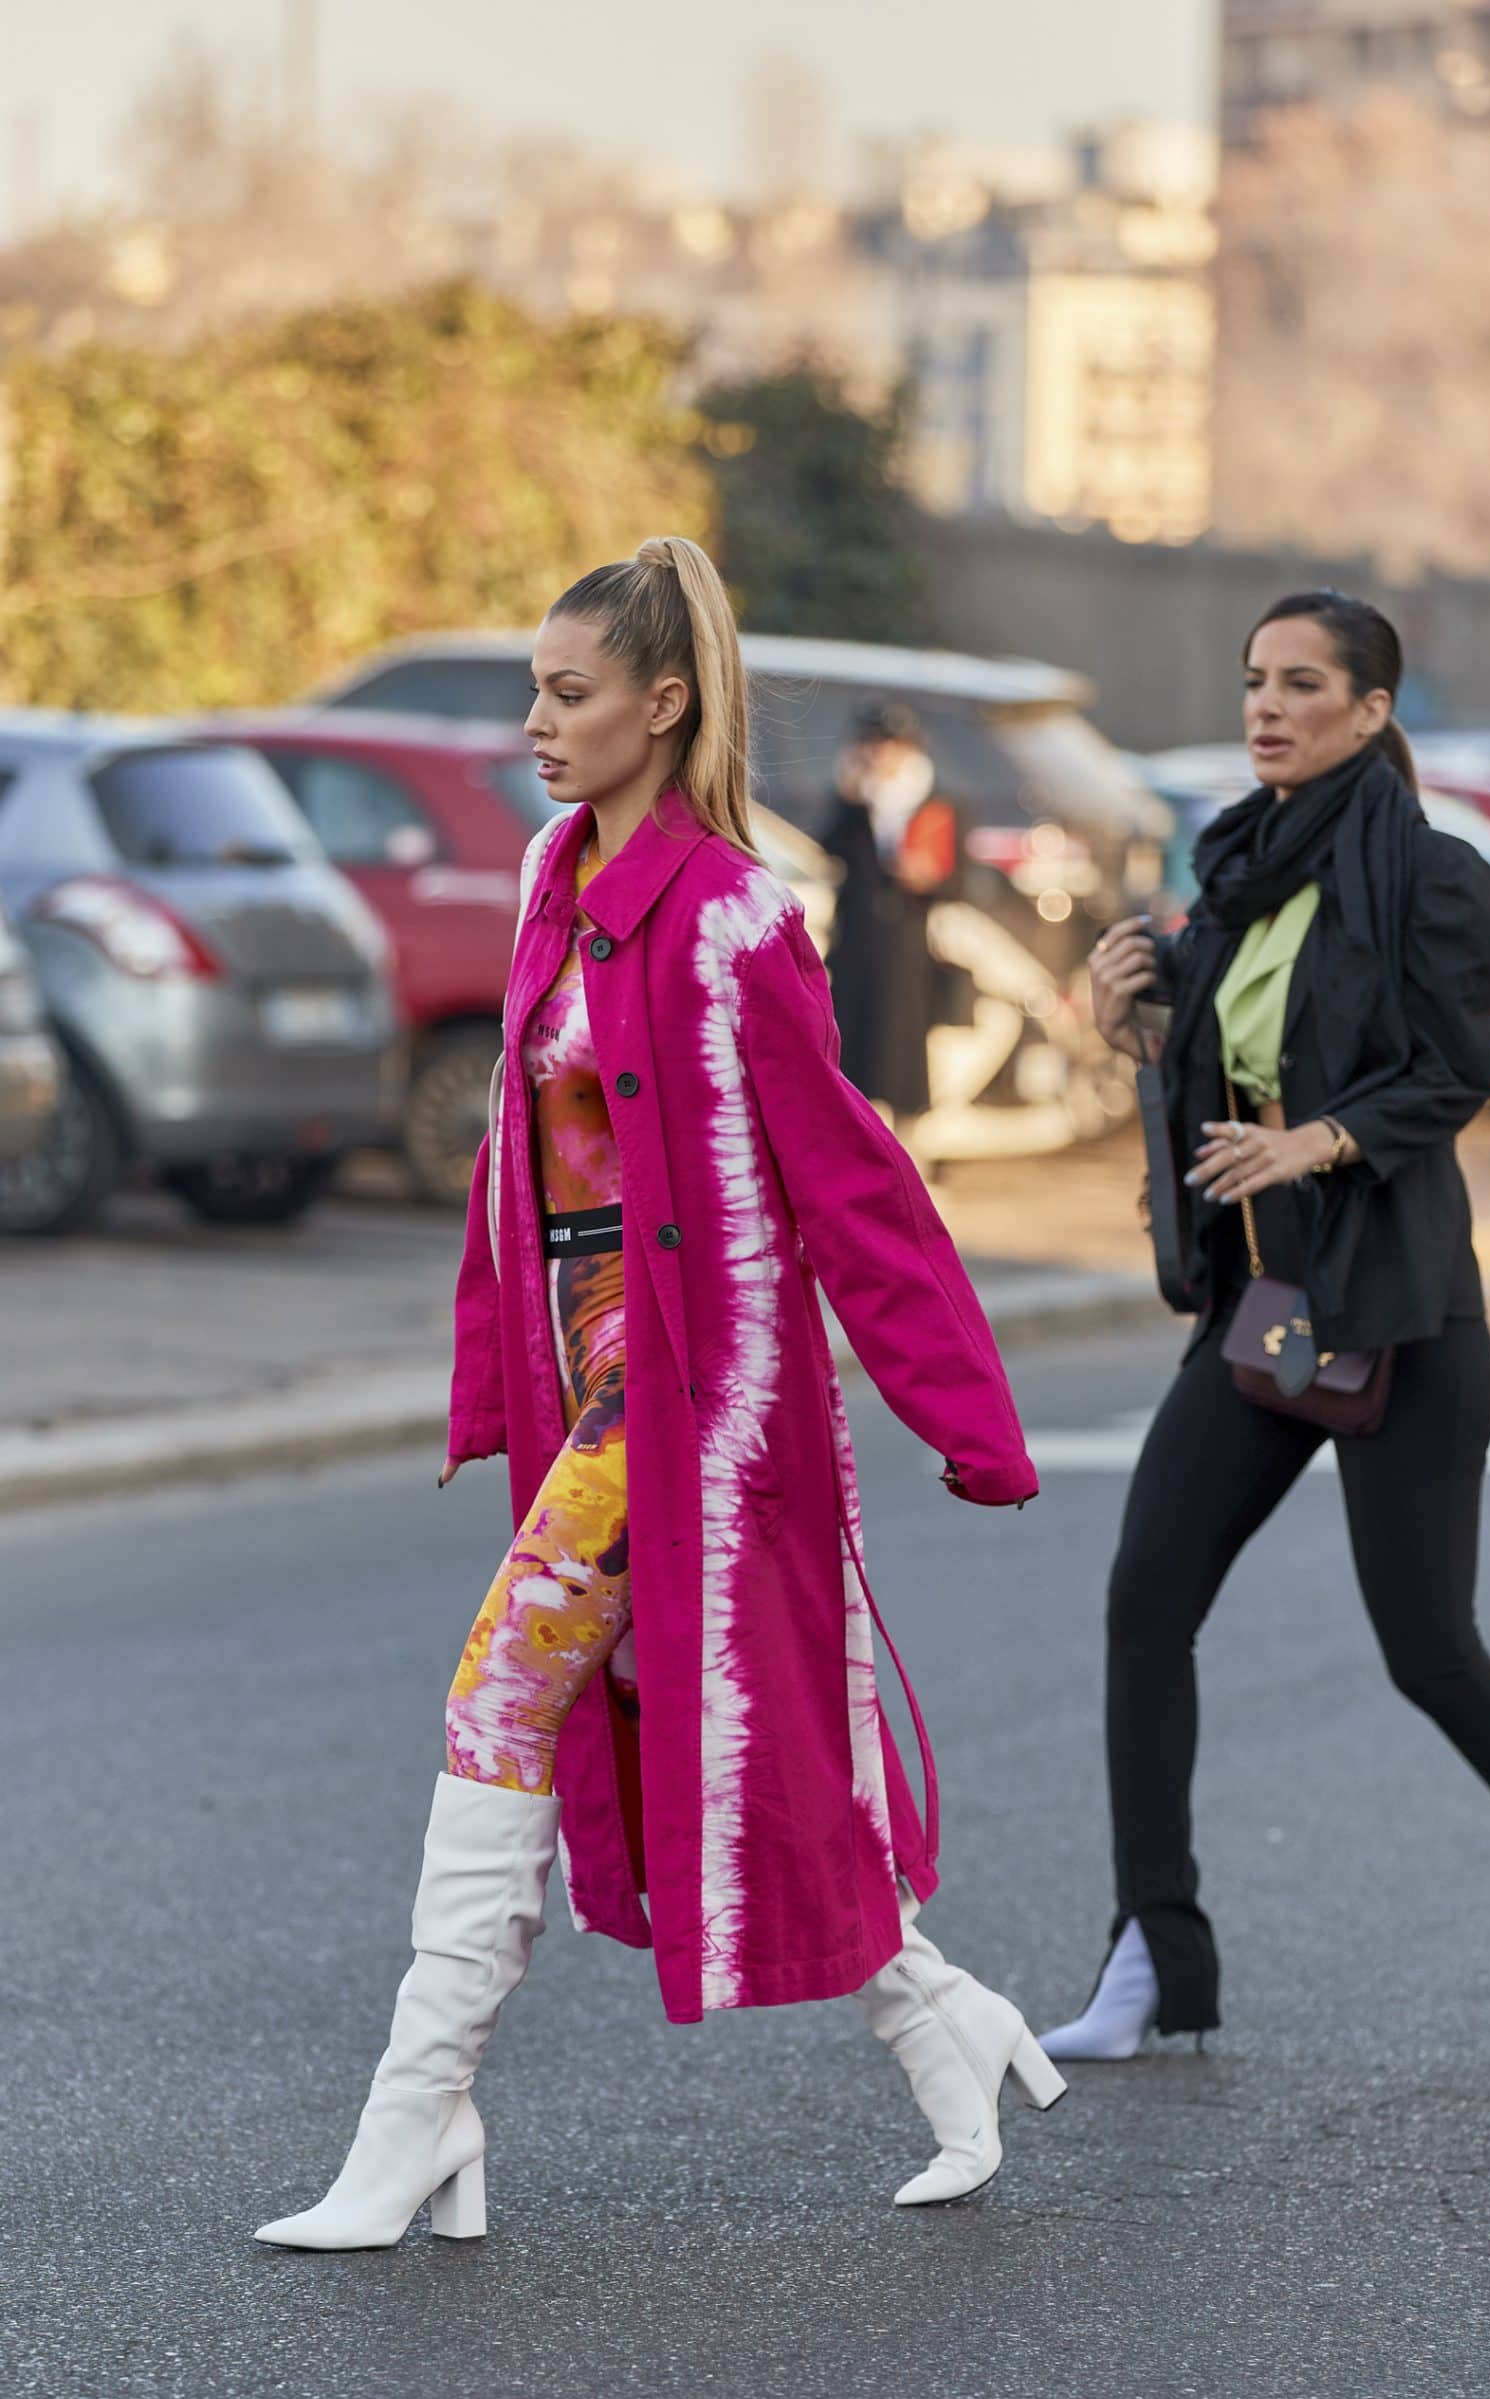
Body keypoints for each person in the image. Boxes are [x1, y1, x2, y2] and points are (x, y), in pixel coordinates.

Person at [255, 537, 1062, 2251]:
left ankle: (417, 2117)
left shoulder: (736, 919)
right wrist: (490, 1382)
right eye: (532, 692)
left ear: (664, 704)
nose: (535, 725)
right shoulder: (550, 873)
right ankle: (945, 2024)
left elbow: (850, 1181)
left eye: (569, 694)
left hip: (697, 1392)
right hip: (583, 1368)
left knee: (503, 1695)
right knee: (755, 1750)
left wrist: (964, 1420)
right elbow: (519, 1166)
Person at [1041, 589, 1490, 2064]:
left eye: (1301, 684)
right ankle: (1151, 1947)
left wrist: (1317, 1142)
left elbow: (1456, 1070)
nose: (1266, 707)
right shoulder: (1236, 872)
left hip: (1399, 1315)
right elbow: (1223, 1074)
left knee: (1429, 1650)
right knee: (1145, 1604)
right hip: (1264, 1313)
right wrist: (1138, 1025)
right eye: (1254, 680)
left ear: (1371, 710)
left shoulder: (1437, 880)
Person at [821, 702, 956, 1136]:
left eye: (889, 745)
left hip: (906, 941)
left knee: (900, 1051)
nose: (879, 755)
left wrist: (927, 877)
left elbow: (955, 875)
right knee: (853, 1049)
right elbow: (830, 850)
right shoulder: (855, 802)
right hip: (857, 939)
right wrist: (850, 801)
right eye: (872, 745)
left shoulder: (932, 800)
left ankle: (907, 1142)